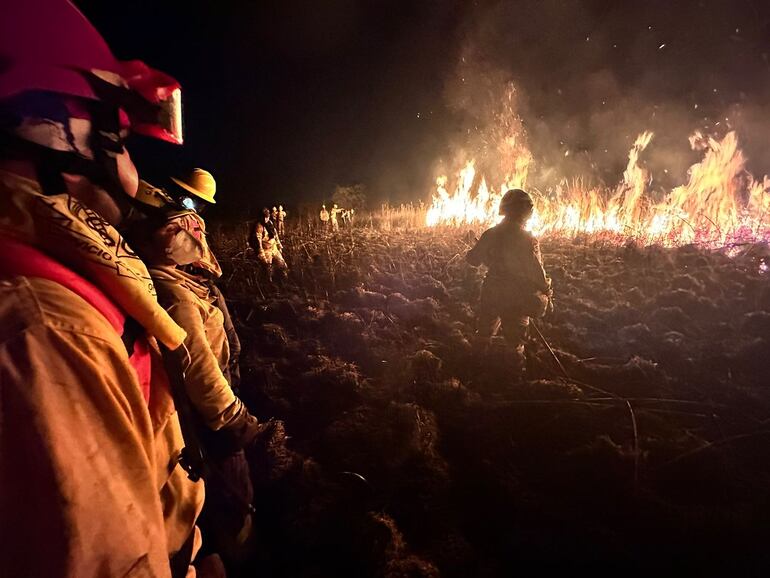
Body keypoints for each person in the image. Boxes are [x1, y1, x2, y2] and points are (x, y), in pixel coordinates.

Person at [0, 1, 208, 576]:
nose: (127, 166)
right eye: (115, 132)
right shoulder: (45, 330)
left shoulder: (46, 280)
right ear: (50, 130)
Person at [131, 183, 275, 571]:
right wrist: (234, 419)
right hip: (211, 422)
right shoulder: (172, 290)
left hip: (214, 406)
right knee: (233, 496)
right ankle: (240, 554)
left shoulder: (186, 280)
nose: (198, 237)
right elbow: (196, 365)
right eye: (188, 230)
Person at [466, 189, 553, 367]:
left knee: (483, 334)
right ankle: (513, 378)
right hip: (517, 296)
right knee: (515, 342)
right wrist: (546, 290)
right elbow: (536, 271)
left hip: (492, 291)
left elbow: (472, 260)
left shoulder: (490, 234)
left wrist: (481, 251)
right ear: (525, 211)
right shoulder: (527, 239)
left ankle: (475, 371)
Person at [250, 207, 288, 283]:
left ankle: (285, 279)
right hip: (266, 250)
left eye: (267, 216)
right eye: (265, 217)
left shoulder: (269, 223)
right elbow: (258, 242)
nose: (266, 218)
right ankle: (269, 284)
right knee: (268, 268)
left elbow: (275, 234)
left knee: (282, 264)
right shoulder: (259, 226)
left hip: (273, 248)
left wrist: (279, 245)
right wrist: (262, 255)